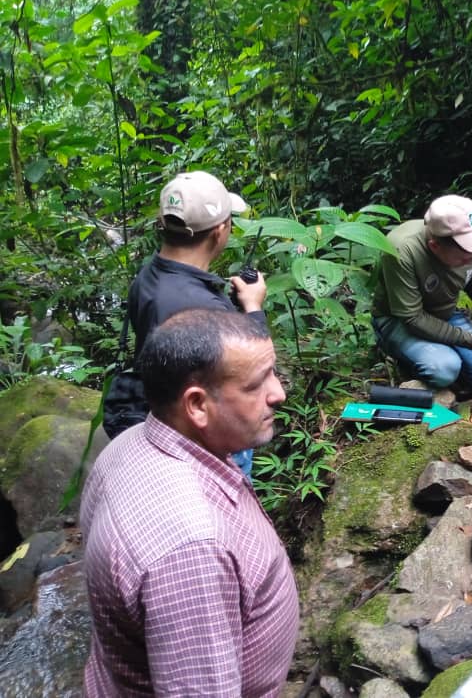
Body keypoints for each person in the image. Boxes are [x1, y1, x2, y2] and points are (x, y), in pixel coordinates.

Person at [82, 309, 299, 697]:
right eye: (255, 384)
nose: (278, 393)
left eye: (273, 372)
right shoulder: (192, 552)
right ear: (197, 405)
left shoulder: (130, 443)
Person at [106, 170, 267, 479]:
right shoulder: (202, 308)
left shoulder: (149, 277)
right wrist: (253, 307)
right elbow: (253, 369)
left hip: (164, 422)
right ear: (221, 231)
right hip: (203, 443)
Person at [371, 194, 472, 398]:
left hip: (445, 312)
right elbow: (412, 318)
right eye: (465, 254)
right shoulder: (402, 250)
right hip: (398, 319)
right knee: (444, 369)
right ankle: (395, 351)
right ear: (435, 246)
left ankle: (453, 361)